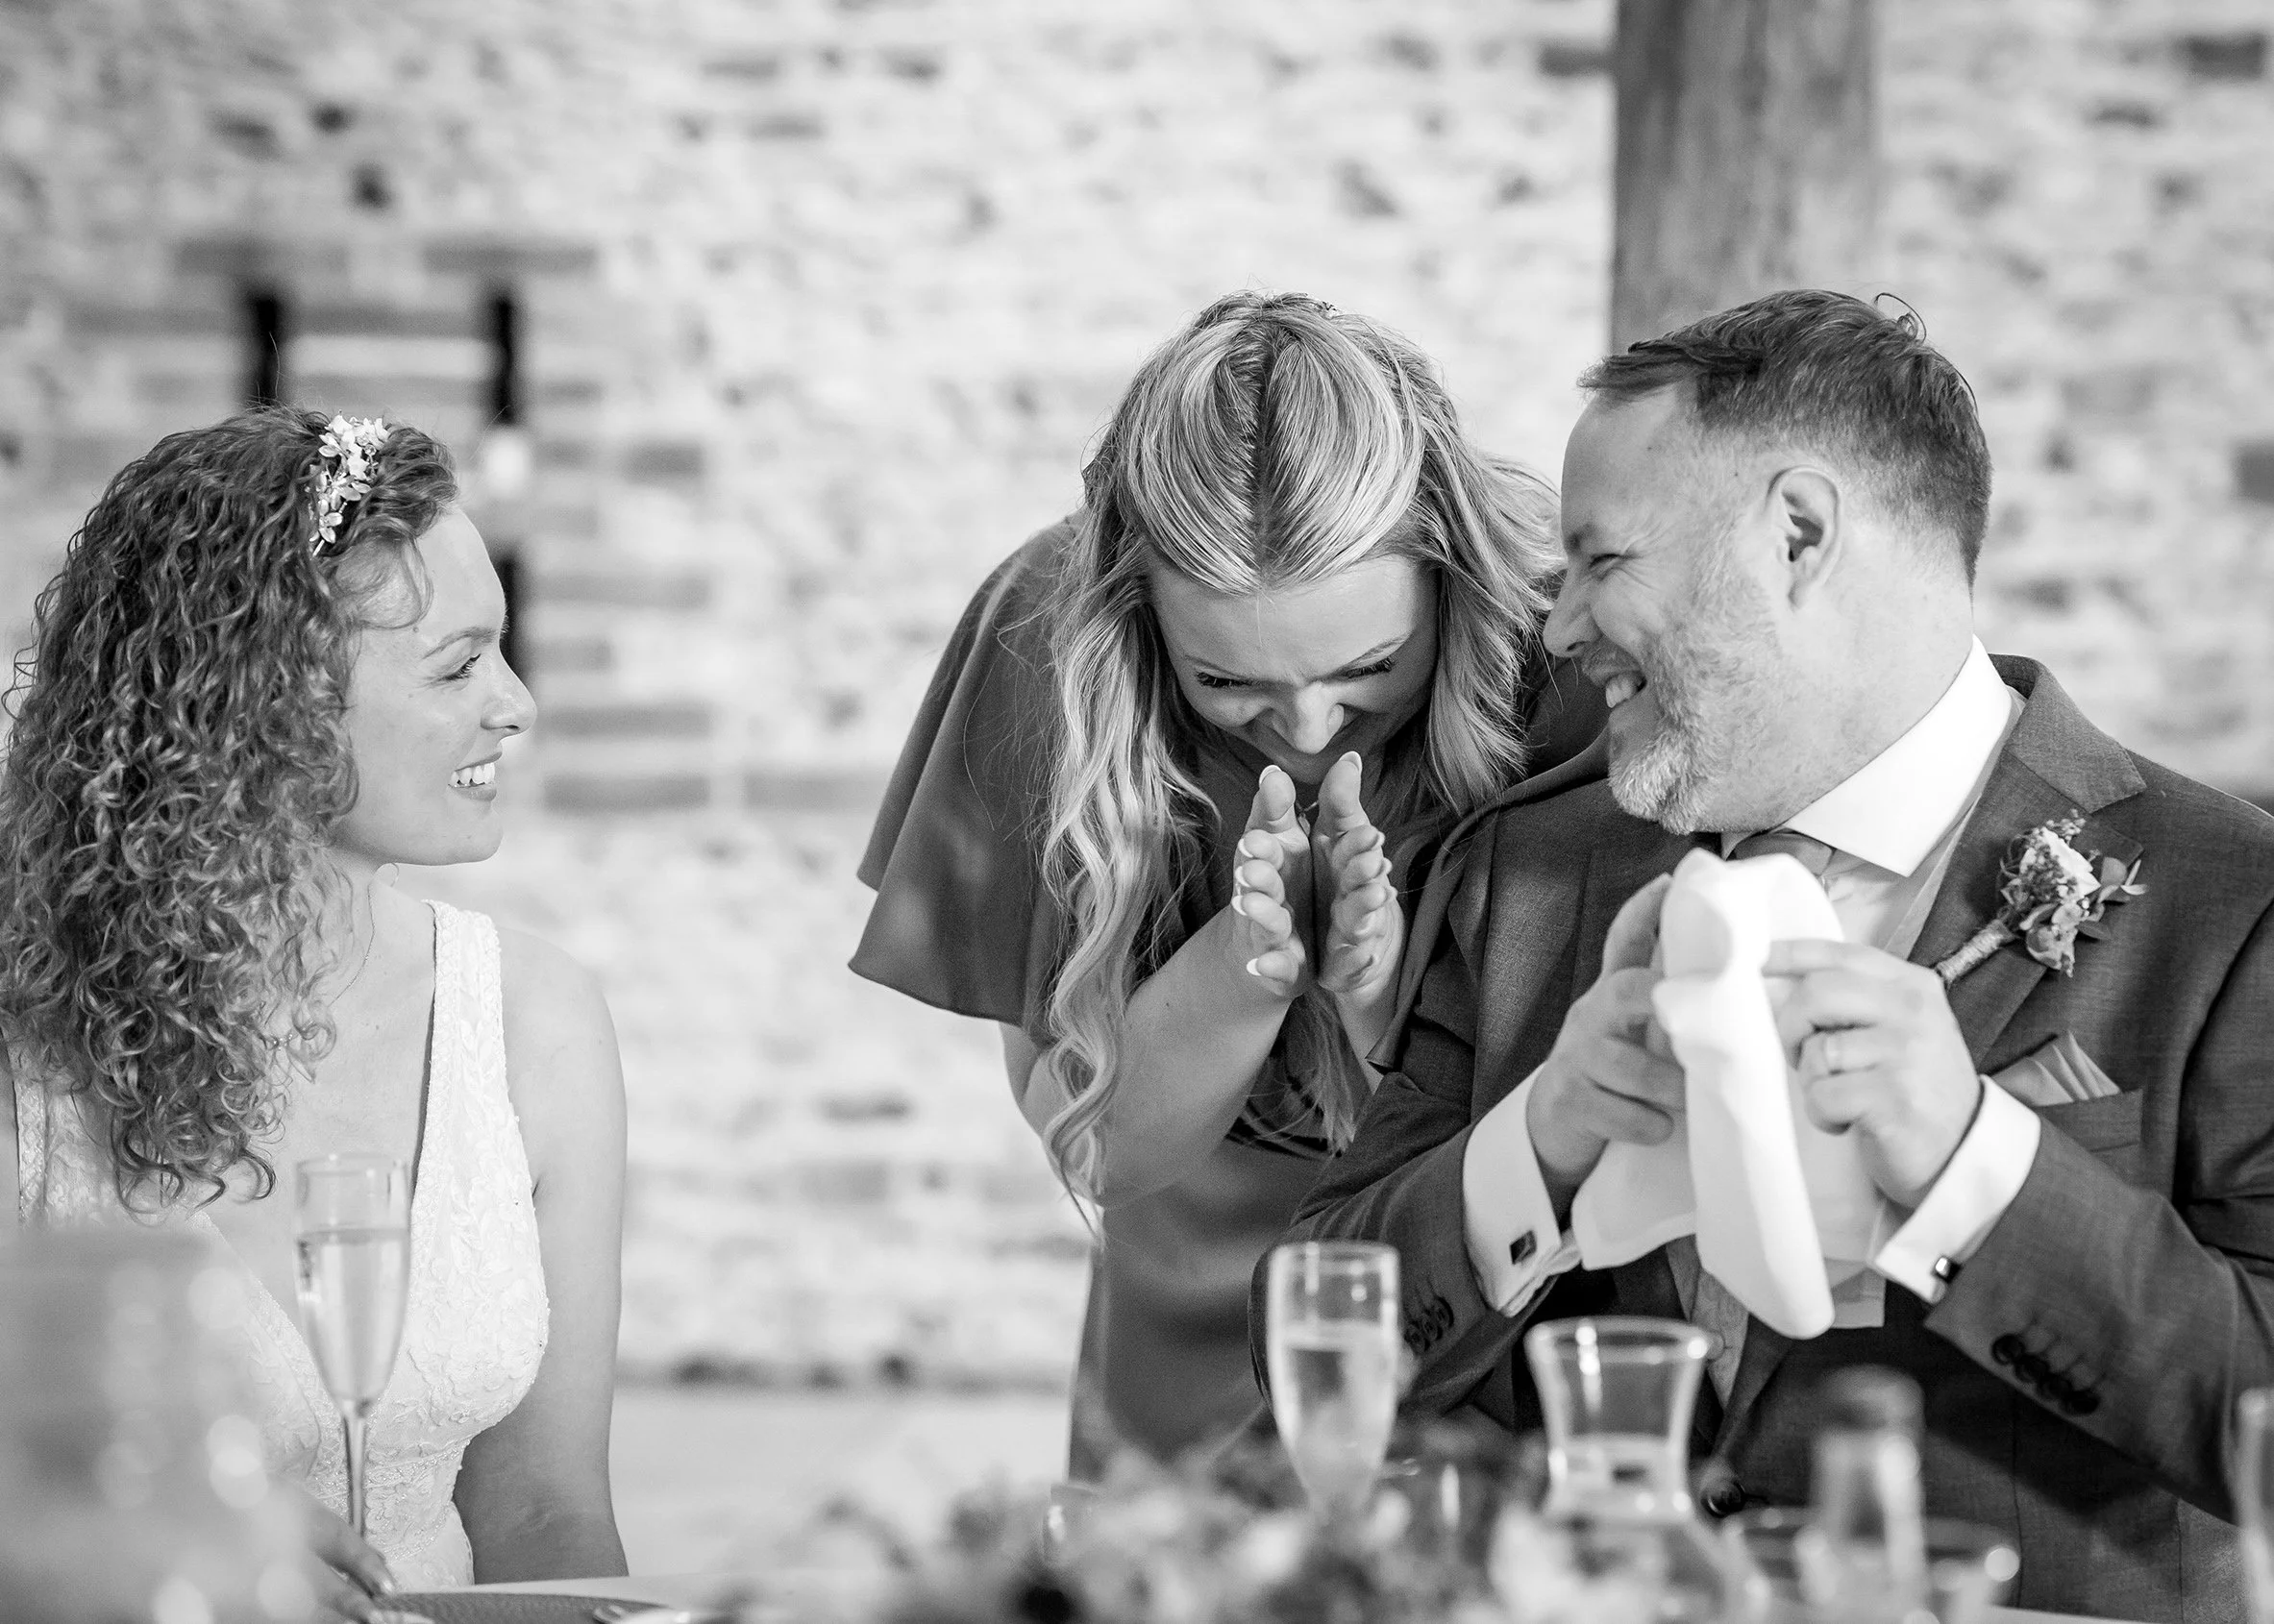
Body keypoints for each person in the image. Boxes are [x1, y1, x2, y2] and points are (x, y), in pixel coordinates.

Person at [1269, 289, 2274, 1622]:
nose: (1559, 627)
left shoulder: (2229, 902)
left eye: (1601, 561)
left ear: (1795, 535)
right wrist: (1541, 1138)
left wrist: (1977, 1170)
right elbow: (1319, 1327)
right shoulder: (1530, 871)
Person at [855, 291, 1601, 1475]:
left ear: (1445, 562)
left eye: (1367, 669)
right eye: (1227, 686)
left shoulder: (1566, 638)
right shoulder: (1044, 639)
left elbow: (1580, 1128)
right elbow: (1090, 1146)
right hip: (1186, 1323)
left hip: (1486, 1326)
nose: (1304, 731)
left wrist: (1376, 1000)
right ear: (1134, 620)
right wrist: (1245, 967)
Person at [0, 409, 629, 1615]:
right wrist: (174, 1533)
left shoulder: (535, 1022)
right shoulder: (27, 1046)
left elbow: (546, 1507)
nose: (515, 706)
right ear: (261, 703)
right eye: (456, 664)